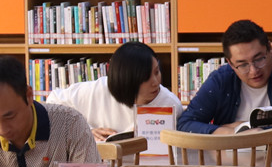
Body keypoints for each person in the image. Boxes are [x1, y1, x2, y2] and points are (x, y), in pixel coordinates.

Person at [176, 19, 272, 135]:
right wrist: (229, 132)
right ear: (230, 63)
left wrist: (247, 130)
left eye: (259, 59)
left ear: (269, 48)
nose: (253, 71)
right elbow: (185, 124)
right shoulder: (221, 79)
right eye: (243, 65)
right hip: (230, 152)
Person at [45, 40, 183, 142]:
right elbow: (52, 105)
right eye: (146, 78)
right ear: (128, 80)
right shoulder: (96, 91)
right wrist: (83, 131)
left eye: (157, 72)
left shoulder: (170, 104)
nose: (156, 82)